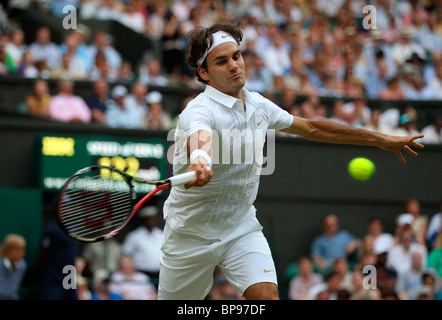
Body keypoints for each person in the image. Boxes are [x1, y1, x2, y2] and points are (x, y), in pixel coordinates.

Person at [159, 21, 425, 300]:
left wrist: (379, 139)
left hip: (239, 228)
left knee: (267, 297)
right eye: (222, 61)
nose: (234, 65)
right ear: (204, 72)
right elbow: (200, 138)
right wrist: (200, 159)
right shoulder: (198, 111)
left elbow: (312, 128)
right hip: (189, 237)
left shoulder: (259, 105)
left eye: (236, 56)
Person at [121, 206, 163, 285]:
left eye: (152, 218)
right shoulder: (134, 236)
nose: (151, 221)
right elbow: (126, 255)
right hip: (141, 274)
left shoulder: (161, 234)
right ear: (144, 220)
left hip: (159, 274)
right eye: (148, 218)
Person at [0, 234, 27, 300]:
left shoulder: (22, 266)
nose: (22, 254)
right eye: (18, 250)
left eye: (23, 249)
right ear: (7, 250)